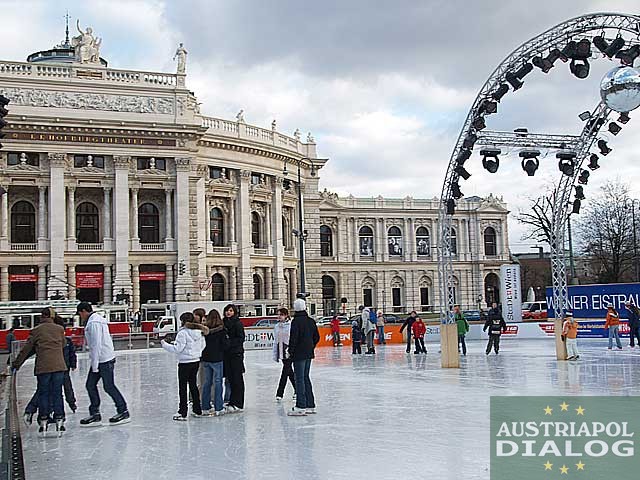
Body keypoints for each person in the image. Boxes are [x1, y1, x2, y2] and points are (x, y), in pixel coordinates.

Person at [12, 307, 67, 435]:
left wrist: (16, 364)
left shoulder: (36, 330)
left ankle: (43, 419)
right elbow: (63, 344)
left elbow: (26, 349)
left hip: (43, 367)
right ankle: (59, 418)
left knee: (44, 393)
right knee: (57, 393)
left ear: (43, 316)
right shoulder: (59, 329)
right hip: (59, 366)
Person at [77, 301, 130, 426]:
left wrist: (95, 364)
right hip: (102, 358)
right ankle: (95, 413)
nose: (80, 317)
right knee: (91, 385)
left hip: (103, 360)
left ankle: (123, 411)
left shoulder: (94, 322)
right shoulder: (96, 320)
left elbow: (96, 344)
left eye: (80, 314)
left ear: (84, 311)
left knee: (108, 386)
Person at [162, 312, 208, 420]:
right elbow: (203, 345)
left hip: (184, 363)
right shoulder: (199, 332)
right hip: (195, 361)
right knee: (193, 385)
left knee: (183, 387)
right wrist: (196, 353)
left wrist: (164, 344)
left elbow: (178, 349)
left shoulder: (182, 333)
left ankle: (182, 412)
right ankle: (197, 409)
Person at [287, 299, 320, 416]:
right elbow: (317, 337)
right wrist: (311, 346)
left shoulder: (296, 322)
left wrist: (290, 351)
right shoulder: (311, 321)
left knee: (299, 379)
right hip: (308, 353)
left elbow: (293, 339)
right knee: (305, 377)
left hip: (299, 354)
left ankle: (301, 405)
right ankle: (310, 404)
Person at [200, 309, 228, 416]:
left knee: (207, 383)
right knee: (218, 383)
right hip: (217, 359)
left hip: (206, 358)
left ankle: (205, 407)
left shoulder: (205, 331)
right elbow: (225, 345)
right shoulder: (221, 330)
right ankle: (218, 407)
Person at [223, 304, 245, 413]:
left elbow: (241, 338)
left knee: (237, 379)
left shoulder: (237, 323)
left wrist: (229, 343)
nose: (228, 312)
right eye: (227, 310)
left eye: (231, 310)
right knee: (230, 379)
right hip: (227, 354)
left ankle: (238, 403)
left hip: (236, 354)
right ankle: (232, 401)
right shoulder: (223, 323)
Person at [273, 307, 296, 401]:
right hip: (281, 351)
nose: (279, 316)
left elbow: (292, 338)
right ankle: (297, 390)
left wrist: (290, 350)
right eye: (278, 314)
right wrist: (275, 353)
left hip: (289, 352)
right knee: (290, 372)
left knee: (285, 372)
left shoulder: (290, 325)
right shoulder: (276, 326)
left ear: (286, 315)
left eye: (281, 315)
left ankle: (280, 393)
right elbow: (275, 341)